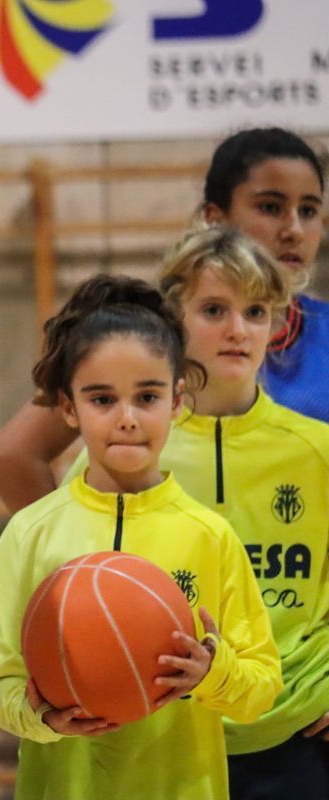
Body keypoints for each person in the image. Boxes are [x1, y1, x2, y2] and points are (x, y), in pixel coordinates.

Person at [0, 273, 281, 799]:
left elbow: (261, 686)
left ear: (177, 401)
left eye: (147, 396)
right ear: (69, 408)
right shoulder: (32, 531)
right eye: (102, 399)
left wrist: (213, 673)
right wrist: (41, 715)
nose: (128, 419)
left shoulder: (209, 535)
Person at [63, 226, 329, 798]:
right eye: (214, 309)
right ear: (175, 320)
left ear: (278, 325)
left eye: (256, 311)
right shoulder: (124, 448)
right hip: (162, 728)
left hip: (295, 730)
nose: (237, 329)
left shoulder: (318, 451)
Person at [0, 127, 326, 512]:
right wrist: (85, 548)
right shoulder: (147, 338)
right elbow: (11, 456)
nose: (294, 229)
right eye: (270, 207)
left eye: (309, 211)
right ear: (215, 218)